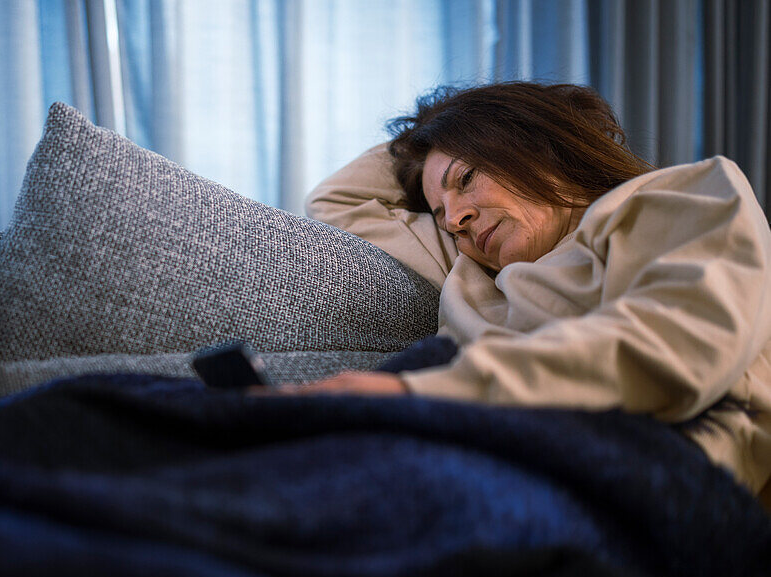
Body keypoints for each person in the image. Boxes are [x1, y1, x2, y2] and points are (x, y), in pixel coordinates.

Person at [275, 81, 771, 503]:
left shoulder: (679, 198)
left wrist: (418, 394)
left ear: (534, 142)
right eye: (441, 213)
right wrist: (426, 142)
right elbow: (337, 201)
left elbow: (675, 351)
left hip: (650, 475)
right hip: (480, 462)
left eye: (466, 180)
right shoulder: (468, 266)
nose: (454, 219)